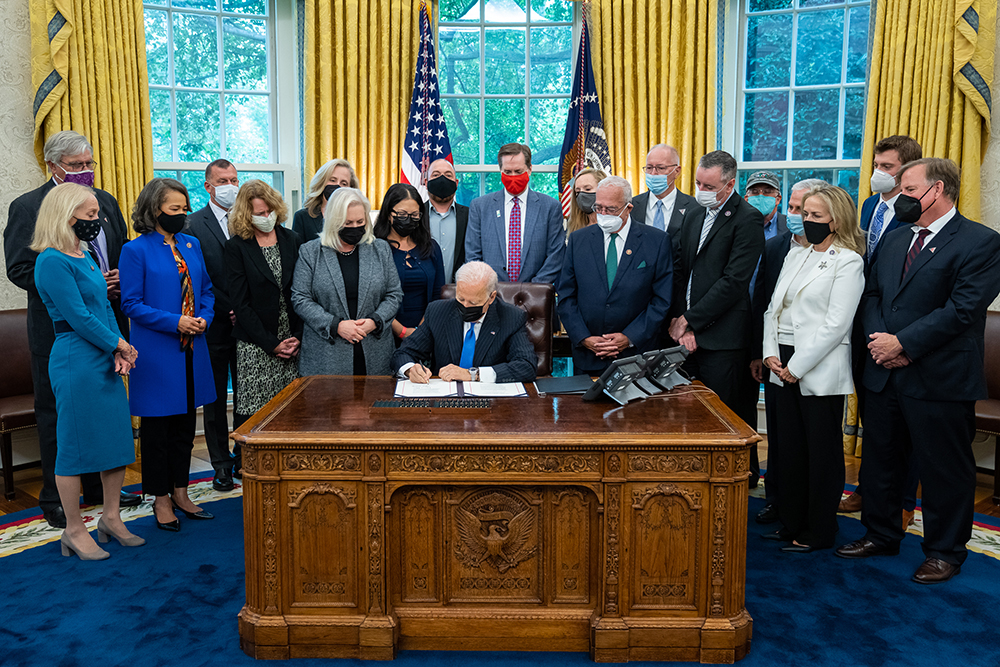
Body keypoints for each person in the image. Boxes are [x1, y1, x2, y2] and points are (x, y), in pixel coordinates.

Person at [836, 158, 1000, 584]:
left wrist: (903, 343)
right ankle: (881, 533)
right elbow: (872, 295)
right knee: (881, 460)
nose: (900, 197)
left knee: (944, 468)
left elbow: (963, 309)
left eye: (908, 189)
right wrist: (881, 342)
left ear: (937, 189)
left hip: (939, 376)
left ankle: (945, 551)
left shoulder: (981, 242)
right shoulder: (894, 240)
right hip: (885, 370)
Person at [3, 130, 141, 528]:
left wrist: (111, 279)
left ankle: (102, 494)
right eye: (78, 166)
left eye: (90, 164)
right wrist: (75, 284)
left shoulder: (106, 202)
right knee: (57, 416)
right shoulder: (28, 206)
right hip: (58, 331)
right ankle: (56, 499)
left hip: (107, 320)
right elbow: (19, 268)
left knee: (105, 416)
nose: (87, 172)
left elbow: (120, 250)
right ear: (54, 166)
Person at [30, 183, 144, 559]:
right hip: (74, 357)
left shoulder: (84, 254)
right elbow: (78, 317)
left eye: (97, 215)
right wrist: (120, 344)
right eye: (90, 216)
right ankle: (74, 530)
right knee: (74, 448)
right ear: (66, 215)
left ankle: (110, 517)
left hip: (104, 354)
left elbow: (105, 306)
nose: (97, 222)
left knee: (114, 441)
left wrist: (120, 348)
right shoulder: (50, 260)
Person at [761, 184, 865, 552]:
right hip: (780, 361)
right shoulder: (795, 255)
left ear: (836, 221)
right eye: (806, 214)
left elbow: (837, 324)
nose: (807, 221)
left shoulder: (848, 260)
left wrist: (797, 366)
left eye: (816, 216)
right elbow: (772, 310)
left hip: (816, 365)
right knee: (786, 449)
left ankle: (818, 530)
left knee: (819, 453)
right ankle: (791, 520)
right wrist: (771, 355)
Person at [119, 178, 217, 532]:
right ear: (154, 209)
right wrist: (176, 321)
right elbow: (131, 303)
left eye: (183, 208)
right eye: (173, 209)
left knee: (185, 428)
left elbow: (206, 290)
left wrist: (204, 317)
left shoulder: (191, 244)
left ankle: (181, 492)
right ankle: (160, 499)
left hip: (193, 350)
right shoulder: (135, 250)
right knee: (158, 432)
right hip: (158, 353)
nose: (181, 214)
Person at [839, 135, 923, 517]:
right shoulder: (871, 204)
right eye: (876, 165)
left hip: (899, 329)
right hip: (864, 318)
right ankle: (866, 489)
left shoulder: (913, 211)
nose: (878, 173)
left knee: (902, 424)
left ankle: (904, 501)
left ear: (907, 171)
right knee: (873, 416)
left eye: (887, 167)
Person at [749, 178, 825, 524]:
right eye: (793, 209)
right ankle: (777, 500)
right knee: (779, 436)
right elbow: (764, 303)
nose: (795, 215)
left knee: (811, 442)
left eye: (802, 210)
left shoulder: (843, 256)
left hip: (815, 360)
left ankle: (808, 509)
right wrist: (761, 353)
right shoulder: (776, 246)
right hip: (775, 356)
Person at [668, 150, 765, 416]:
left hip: (724, 341)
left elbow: (733, 282)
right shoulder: (693, 213)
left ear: (730, 184)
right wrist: (681, 323)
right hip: (685, 338)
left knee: (726, 419)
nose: (701, 190)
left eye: (709, 186)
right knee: (688, 419)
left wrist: (689, 320)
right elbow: (681, 271)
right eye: (698, 183)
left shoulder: (748, 219)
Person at [558, 176, 673, 374]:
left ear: (628, 208)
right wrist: (584, 338)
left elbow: (661, 300)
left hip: (637, 356)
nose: (603, 214)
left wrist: (629, 337)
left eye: (610, 209)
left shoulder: (656, 241)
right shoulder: (579, 240)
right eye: (598, 207)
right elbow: (566, 296)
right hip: (589, 356)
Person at [292, 187, 403, 376]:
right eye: (348, 222)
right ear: (333, 221)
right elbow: (300, 298)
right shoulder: (310, 252)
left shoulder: (380, 249)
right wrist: (336, 326)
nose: (355, 227)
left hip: (375, 353)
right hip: (327, 355)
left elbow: (394, 294)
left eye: (360, 221)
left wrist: (374, 321)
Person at [224, 180, 303, 430]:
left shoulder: (293, 240)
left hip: (293, 344)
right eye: (260, 213)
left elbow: (303, 293)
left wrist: (297, 338)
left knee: (292, 414)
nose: (267, 217)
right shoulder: (236, 247)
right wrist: (272, 344)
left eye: (270, 211)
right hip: (256, 344)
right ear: (247, 215)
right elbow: (240, 303)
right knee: (255, 420)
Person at [186, 158, 240, 491]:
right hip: (215, 323)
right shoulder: (192, 224)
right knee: (216, 398)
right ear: (208, 186)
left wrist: (244, 310)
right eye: (223, 180)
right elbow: (197, 277)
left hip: (249, 325)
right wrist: (226, 307)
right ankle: (220, 464)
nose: (230, 185)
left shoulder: (250, 218)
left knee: (248, 396)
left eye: (234, 179)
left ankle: (244, 456)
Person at [391, 261, 537, 384]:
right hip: (444, 401)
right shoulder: (438, 312)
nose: (465, 306)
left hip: (490, 404)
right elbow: (403, 353)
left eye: (473, 302)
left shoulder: (511, 317)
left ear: (491, 297)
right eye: (461, 299)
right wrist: (410, 369)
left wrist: (473, 375)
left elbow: (527, 366)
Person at [738, 169, 789, 487]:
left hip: (778, 328)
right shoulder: (738, 223)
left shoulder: (789, 230)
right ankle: (748, 472)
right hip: (740, 321)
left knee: (781, 416)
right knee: (741, 403)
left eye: (767, 192)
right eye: (755, 191)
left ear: (778, 197)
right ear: (745, 196)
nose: (761, 196)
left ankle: (780, 484)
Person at [466, 143, 565, 285]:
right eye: (507, 172)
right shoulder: (480, 207)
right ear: (500, 170)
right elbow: (473, 255)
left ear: (529, 169)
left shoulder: (550, 207)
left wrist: (532, 289)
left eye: (518, 171)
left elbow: (556, 255)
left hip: (534, 296)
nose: (513, 176)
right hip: (491, 295)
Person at [373, 183, 445, 343]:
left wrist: (421, 331)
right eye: (402, 214)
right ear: (388, 214)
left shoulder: (431, 247)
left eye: (414, 215)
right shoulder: (374, 248)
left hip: (426, 334)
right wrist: (402, 332)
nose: (409, 220)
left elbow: (437, 296)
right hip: (384, 333)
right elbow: (372, 300)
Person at [630, 144, 699, 250]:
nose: (653, 173)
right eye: (649, 168)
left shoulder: (694, 207)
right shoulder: (632, 205)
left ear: (677, 171)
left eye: (660, 168)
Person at [292, 159, 360, 241]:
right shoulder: (303, 217)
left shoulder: (358, 217)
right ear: (322, 182)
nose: (337, 185)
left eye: (344, 183)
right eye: (332, 180)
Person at [425, 158, 468, 283]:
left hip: (460, 293)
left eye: (448, 175)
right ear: (426, 182)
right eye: (436, 175)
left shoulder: (470, 215)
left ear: (456, 183)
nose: (442, 179)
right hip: (423, 294)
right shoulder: (416, 215)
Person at [565, 167, 607, 237]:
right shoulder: (575, 230)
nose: (581, 194)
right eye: (578, 191)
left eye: (587, 189)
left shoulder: (614, 227)